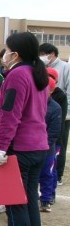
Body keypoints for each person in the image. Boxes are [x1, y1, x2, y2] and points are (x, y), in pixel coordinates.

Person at [0, 31, 49, 226]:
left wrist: (1, 147)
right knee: (30, 202)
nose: (4, 54)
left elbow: (9, 114)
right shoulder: (37, 73)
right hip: (38, 146)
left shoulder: (17, 75)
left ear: (15, 54)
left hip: (19, 147)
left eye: (6, 50)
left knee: (14, 203)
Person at [39, 43, 70, 185]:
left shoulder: (64, 67)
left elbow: (68, 91)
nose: (42, 57)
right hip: (44, 113)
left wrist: (67, 112)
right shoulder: (42, 67)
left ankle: (58, 175)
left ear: (52, 53)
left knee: (59, 144)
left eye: (43, 54)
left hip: (63, 111)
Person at [38, 77, 62, 213]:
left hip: (47, 149)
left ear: (51, 91)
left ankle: (46, 200)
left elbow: (54, 132)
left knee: (47, 174)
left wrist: (43, 145)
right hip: (31, 146)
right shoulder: (32, 103)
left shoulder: (55, 108)